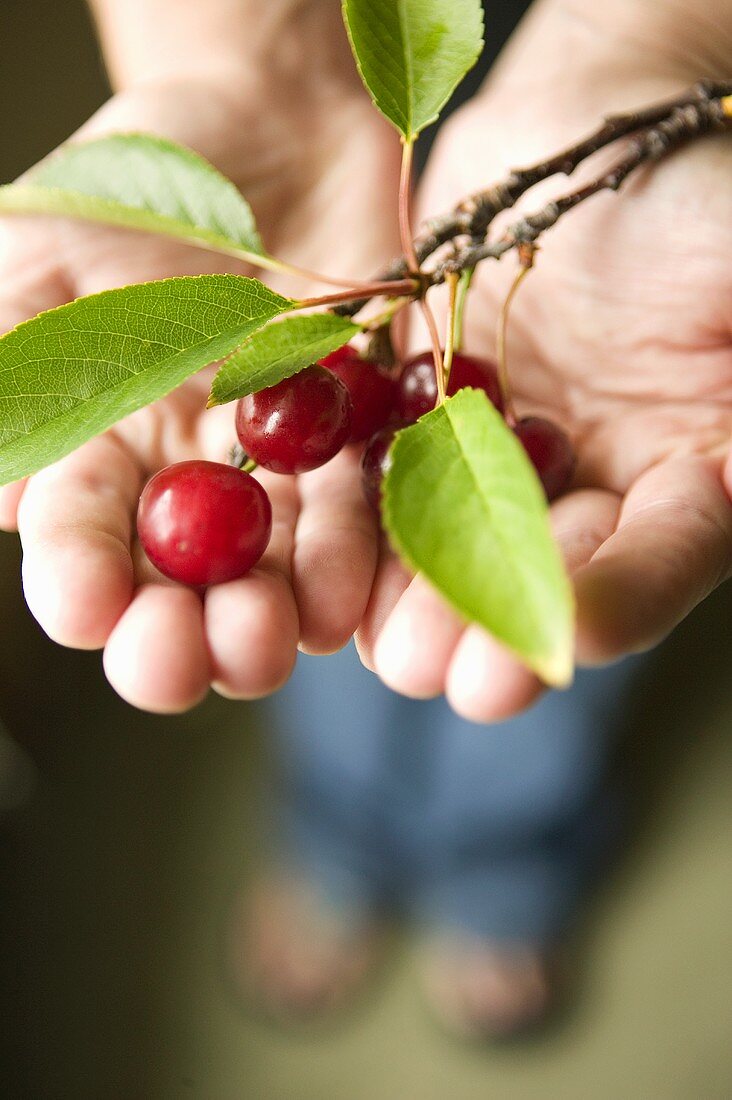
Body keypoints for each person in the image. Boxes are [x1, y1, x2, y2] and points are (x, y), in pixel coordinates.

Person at [0, 0, 730, 1036]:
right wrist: (235, 56)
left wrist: (660, 38)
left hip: (595, 97)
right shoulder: (341, 395)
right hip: (332, 77)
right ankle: (335, 842)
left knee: (553, 629)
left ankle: (507, 870)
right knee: (331, 622)